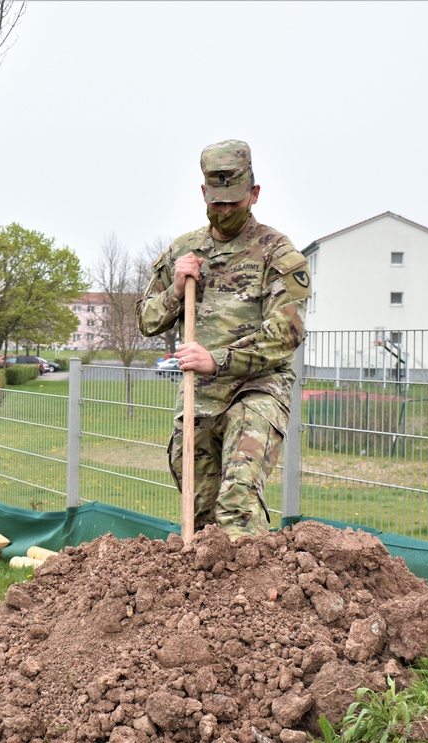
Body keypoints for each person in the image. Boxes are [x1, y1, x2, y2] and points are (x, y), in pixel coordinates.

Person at [136, 139, 310, 542]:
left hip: (256, 390)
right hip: (199, 398)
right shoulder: (184, 250)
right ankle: (206, 605)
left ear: (254, 193)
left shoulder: (277, 253)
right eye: (218, 204)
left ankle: (253, 603)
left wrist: (218, 359)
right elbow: (146, 321)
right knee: (201, 522)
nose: (226, 211)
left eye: (235, 202)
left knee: (236, 506)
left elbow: (287, 333)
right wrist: (176, 290)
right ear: (204, 194)